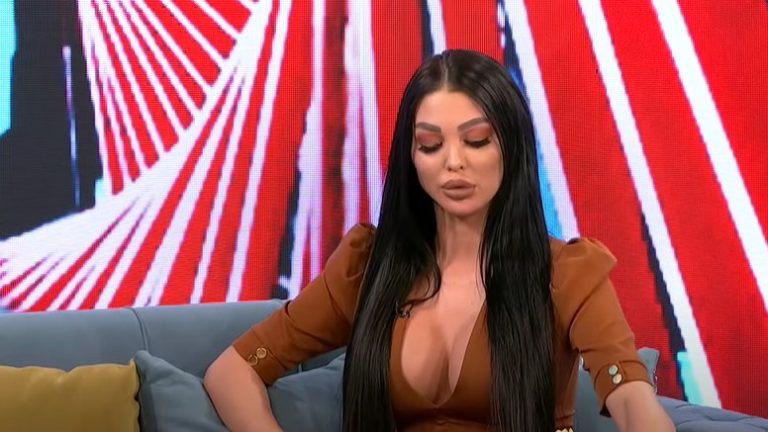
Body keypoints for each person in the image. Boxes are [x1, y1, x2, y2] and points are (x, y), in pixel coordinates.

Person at [204, 49, 674, 432]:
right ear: (411, 157)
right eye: (430, 144)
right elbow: (233, 371)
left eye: (477, 140)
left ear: (511, 147)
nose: (453, 162)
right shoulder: (367, 269)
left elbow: (630, 395)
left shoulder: (566, 274)